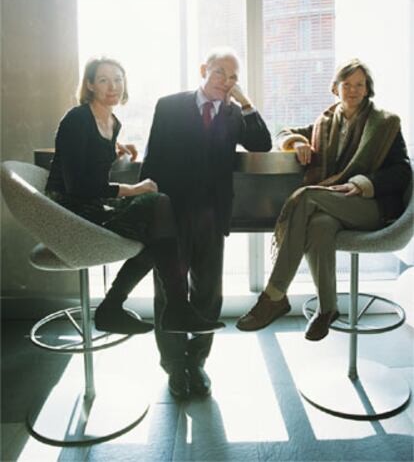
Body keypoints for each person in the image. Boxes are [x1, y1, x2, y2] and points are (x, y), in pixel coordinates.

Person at [46, 57, 223, 336]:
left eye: (118, 79)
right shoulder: (77, 118)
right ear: (90, 85)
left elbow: (91, 154)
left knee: (160, 225)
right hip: (69, 212)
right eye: (103, 80)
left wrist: (115, 147)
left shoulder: (111, 121)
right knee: (158, 204)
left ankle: (118, 308)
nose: (112, 86)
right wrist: (134, 189)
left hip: (91, 206)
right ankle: (170, 308)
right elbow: (79, 186)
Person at [237, 58, 411, 341]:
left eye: (359, 85)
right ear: (335, 88)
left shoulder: (385, 124)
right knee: (318, 224)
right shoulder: (326, 122)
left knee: (305, 198)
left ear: (367, 90)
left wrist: (364, 183)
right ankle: (328, 309)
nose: (353, 90)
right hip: (334, 203)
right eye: (347, 84)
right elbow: (283, 132)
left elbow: (403, 171)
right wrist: (298, 143)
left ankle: (274, 295)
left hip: (373, 206)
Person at [140, 47, 272, 399]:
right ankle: (174, 368)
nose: (226, 82)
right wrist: (148, 214)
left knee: (208, 293)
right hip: (170, 215)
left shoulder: (232, 113)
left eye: (233, 78)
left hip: (212, 217)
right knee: (168, 293)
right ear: (203, 69)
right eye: (219, 74)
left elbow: (262, 142)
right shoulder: (169, 105)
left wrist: (244, 102)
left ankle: (197, 363)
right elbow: (151, 161)